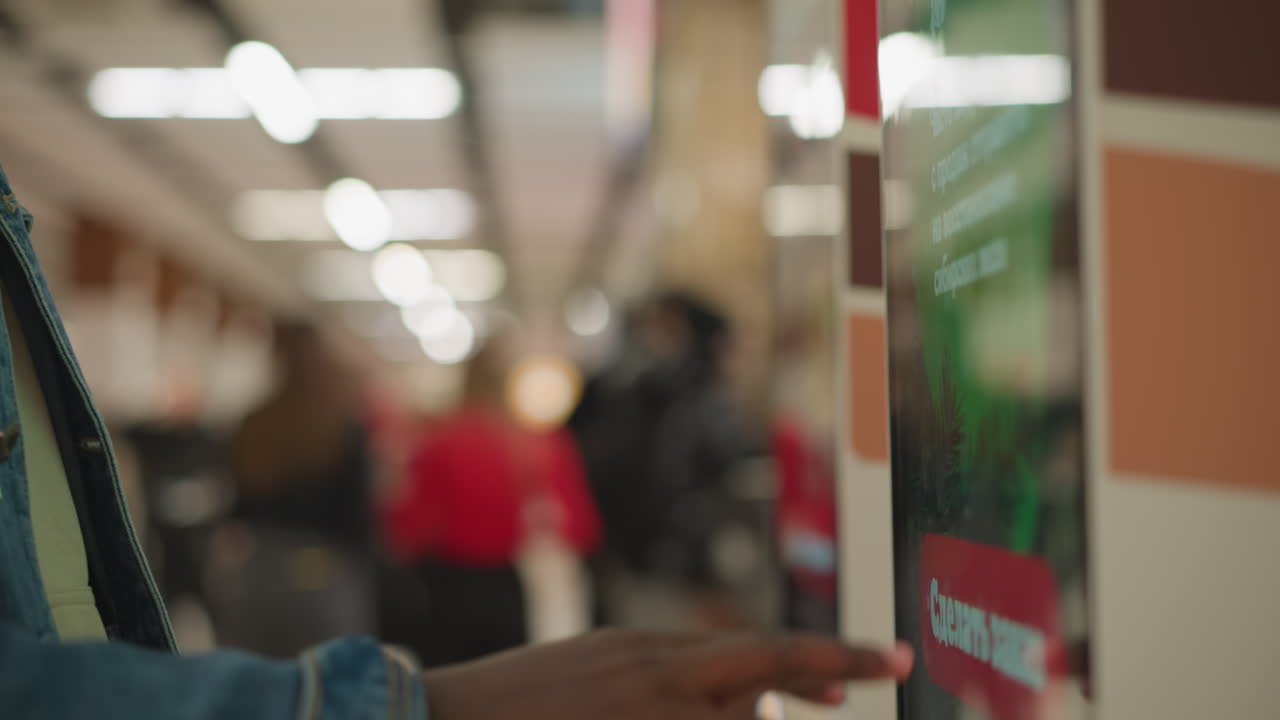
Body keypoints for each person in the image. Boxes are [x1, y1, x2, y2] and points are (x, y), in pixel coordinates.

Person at [0, 163, 911, 718]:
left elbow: (407, 519)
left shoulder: (416, 437)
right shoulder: (527, 441)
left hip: (392, 591)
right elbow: (568, 515)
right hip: (492, 589)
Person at [383, 342, 600, 665]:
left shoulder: (439, 441)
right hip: (508, 583)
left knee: (450, 692)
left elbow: (409, 526)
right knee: (505, 686)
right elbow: (582, 528)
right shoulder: (537, 443)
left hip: (449, 585)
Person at [207, 321, 378, 657]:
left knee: (257, 687)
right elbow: (357, 512)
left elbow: (238, 503)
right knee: (328, 689)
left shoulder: (254, 422)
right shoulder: (342, 426)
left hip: (261, 566)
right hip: (327, 568)